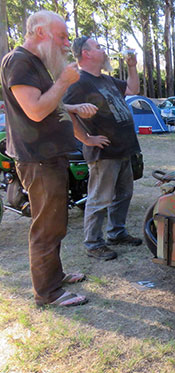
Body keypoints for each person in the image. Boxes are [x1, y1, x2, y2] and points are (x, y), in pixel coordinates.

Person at [0, 10, 102, 306]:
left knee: (55, 222)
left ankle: (54, 277)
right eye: (62, 36)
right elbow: (34, 110)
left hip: (49, 156)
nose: (66, 43)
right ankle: (48, 293)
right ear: (40, 32)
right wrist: (64, 83)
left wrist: (71, 106)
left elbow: (47, 103)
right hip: (37, 158)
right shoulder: (18, 61)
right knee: (46, 226)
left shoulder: (35, 63)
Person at [63, 35, 142, 261]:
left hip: (123, 148)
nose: (103, 50)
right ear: (86, 53)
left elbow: (133, 88)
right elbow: (65, 110)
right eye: (98, 47)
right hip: (103, 152)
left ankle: (116, 233)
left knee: (124, 194)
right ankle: (93, 243)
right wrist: (86, 139)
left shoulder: (106, 79)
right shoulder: (77, 81)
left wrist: (132, 67)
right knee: (99, 199)